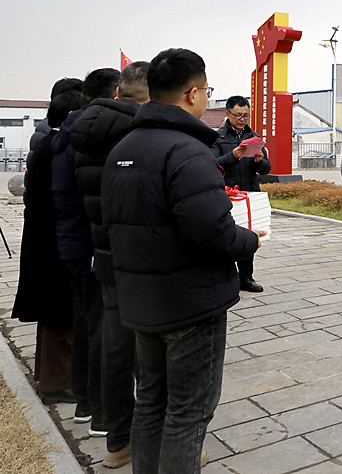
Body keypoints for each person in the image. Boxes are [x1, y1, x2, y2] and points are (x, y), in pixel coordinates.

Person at [102, 48, 262, 473]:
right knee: (188, 414)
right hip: (190, 303)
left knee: (150, 403)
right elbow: (213, 231)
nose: (207, 97)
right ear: (192, 93)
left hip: (142, 299)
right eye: (207, 90)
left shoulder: (122, 148)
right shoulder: (187, 151)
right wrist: (250, 240)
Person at [70, 61, 149, 468]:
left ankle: (117, 442)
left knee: (115, 348)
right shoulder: (138, 132)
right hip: (142, 256)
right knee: (152, 354)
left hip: (103, 251)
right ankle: (160, 440)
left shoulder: (85, 129)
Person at [52, 67, 120, 435]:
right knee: (101, 328)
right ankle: (101, 411)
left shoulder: (67, 132)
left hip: (73, 240)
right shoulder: (95, 135)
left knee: (85, 320)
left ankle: (84, 400)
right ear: (115, 94)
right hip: (90, 242)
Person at [12, 91, 82, 406]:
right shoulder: (57, 149)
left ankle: (50, 377)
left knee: (53, 314)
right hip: (54, 242)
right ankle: (56, 383)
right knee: (59, 315)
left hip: (45, 239)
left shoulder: (47, 146)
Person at [212, 94, 271, 293]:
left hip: (249, 193)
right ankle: (225, 278)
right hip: (226, 194)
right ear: (227, 113)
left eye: (246, 115)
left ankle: (246, 278)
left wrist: (259, 161)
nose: (242, 119)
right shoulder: (217, 138)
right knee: (225, 236)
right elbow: (212, 164)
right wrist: (232, 156)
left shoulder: (254, 137)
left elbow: (266, 169)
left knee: (247, 236)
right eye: (238, 115)